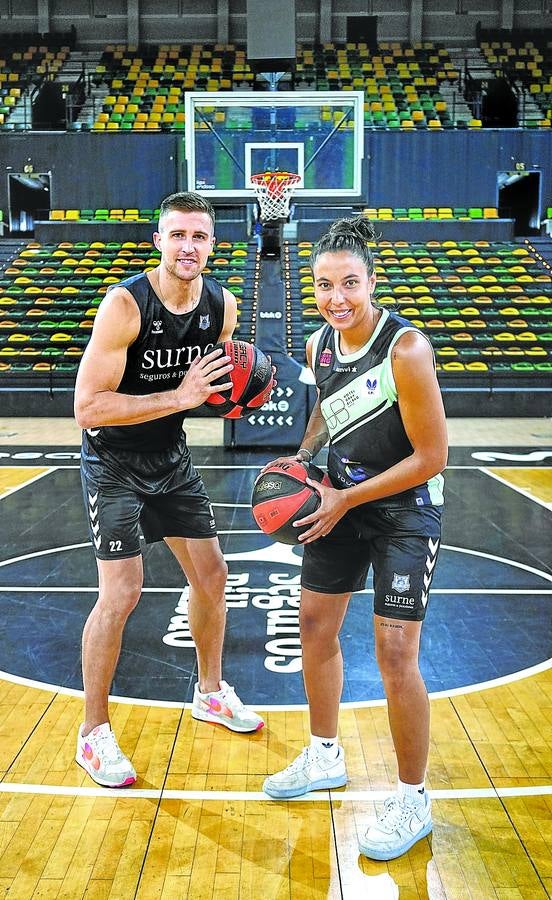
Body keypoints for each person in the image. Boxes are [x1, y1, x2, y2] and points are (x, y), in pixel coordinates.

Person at [262, 217, 448, 861]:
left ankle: (412, 798)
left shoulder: (406, 351)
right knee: (314, 627)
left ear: (373, 281)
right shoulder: (319, 345)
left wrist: (346, 498)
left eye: (349, 284)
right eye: (323, 285)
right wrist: (303, 457)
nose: (336, 297)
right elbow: (324, 409)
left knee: (395, 653)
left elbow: (432, 456)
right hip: (339, 497)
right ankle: (324, 755)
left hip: (405, 509)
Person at [74, 191, 264, 788]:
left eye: (199, 237)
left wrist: (240, 388)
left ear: (212, 245)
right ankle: (92, 734)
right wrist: (178, 398)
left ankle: (209, 693)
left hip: (170, 457)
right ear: (158, 241)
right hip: (113, 461)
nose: (188, 246)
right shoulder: (125, 306)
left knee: (212, 576)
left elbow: (219, 380)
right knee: (122, 593)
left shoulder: (222, 307)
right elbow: (87, 407)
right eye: (177, 235)